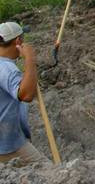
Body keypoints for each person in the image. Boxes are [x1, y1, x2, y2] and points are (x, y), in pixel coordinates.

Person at [0, 22, 47, 166]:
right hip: (7, 144)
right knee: (48, 171)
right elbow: (25, 95)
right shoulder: (5, 68)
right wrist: (30, 59)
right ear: (18, 42)